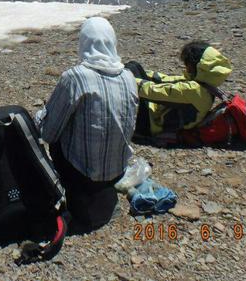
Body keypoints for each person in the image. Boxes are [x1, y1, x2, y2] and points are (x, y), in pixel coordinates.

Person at [36, 17, 138, 233]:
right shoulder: (129, 76)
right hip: (118, 170)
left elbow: (48, 133)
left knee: (56, 137)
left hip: (84, 175)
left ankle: (72, 193)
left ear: (83, 43)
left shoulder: (75, 78)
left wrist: (37, 118)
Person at [127, 40, 232, 144]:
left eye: (188, 64)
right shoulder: (206, 84)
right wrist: (144, 74)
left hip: (150, 126)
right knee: (134, 67)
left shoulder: (194, 91)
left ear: (198, 65)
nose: (186, 68)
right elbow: (167, 80)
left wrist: (125, 79)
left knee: (131, 71)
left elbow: (153, 92)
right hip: (154, 116)